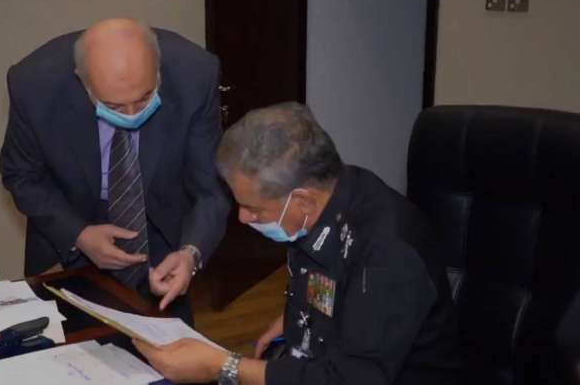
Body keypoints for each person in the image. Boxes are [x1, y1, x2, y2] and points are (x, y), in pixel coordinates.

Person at [134, 102, 464, 384]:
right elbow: (334, 282)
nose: (243, 218)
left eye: (255, 209)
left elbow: (350, 380)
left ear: (302, 201)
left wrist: (225, 366)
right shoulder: (333, 192)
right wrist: (300, 317)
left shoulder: (387, 255)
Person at [0, 18, 230, 322]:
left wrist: (191, 253)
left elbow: (211, 188)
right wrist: (78, 234)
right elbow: (20, 175)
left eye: (145, 97)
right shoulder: (35, 83)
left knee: (168, 343)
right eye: (114, 106)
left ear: (158, 69)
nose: (133, 115)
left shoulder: (195, 73)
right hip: (70, 234)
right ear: (82, 82)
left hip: (162, 237)